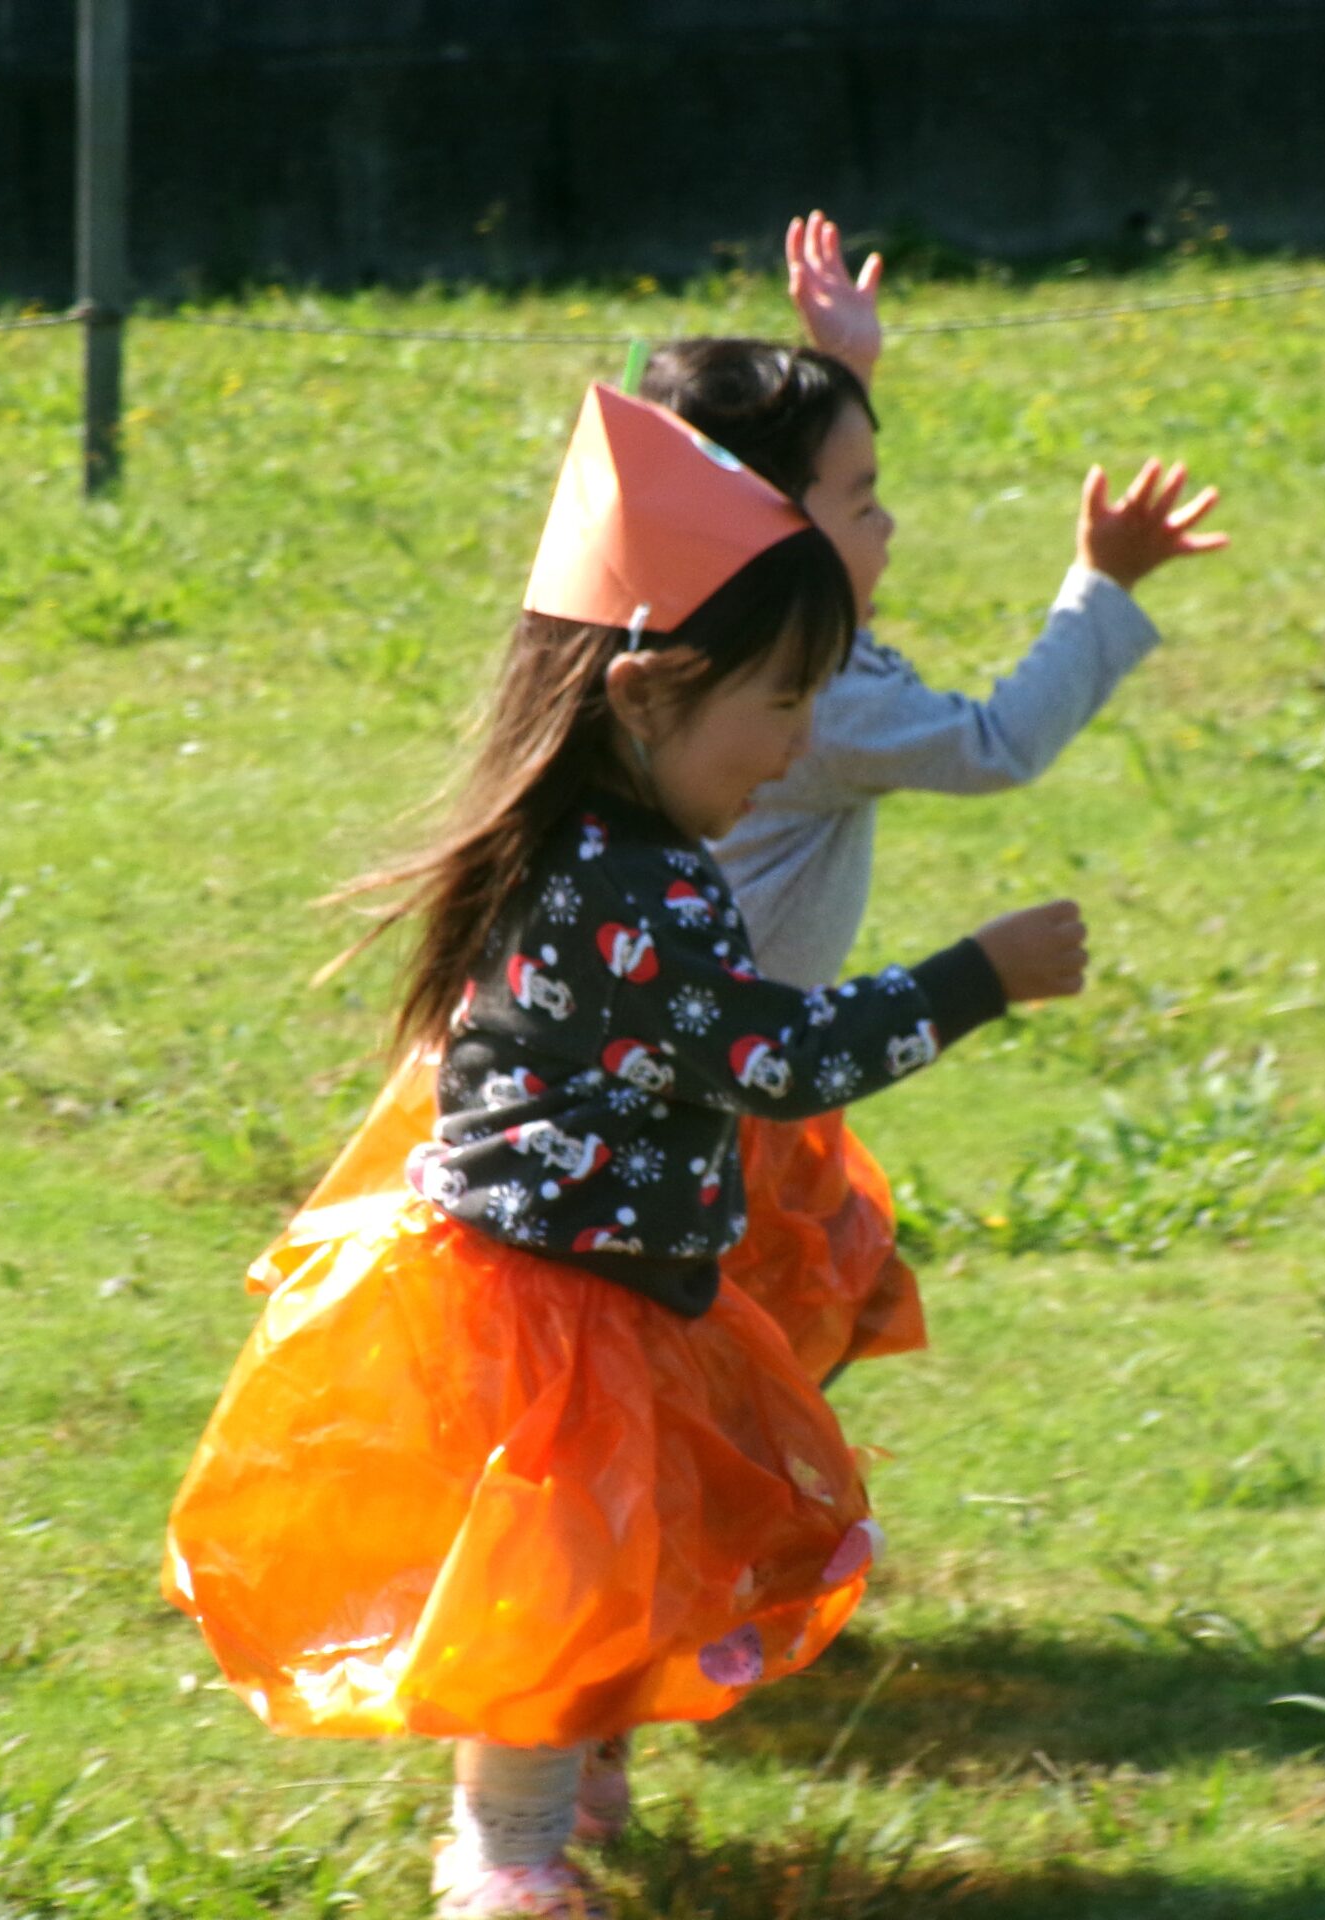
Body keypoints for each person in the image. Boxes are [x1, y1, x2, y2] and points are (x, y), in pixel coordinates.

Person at [164, 384, 1087, 1919]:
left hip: (612, 1280)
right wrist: (972, 977)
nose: (798, 745)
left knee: (613, 1560)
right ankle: (503, 1860)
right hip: (555, 1301)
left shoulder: (608, 845)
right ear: (649, 696)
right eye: (778, 706)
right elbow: (777, 1062)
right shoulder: (628, 885)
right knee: (552, 1580)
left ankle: (565, 1781)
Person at [655, 209, 1229, 1383]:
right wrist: (1102, 584)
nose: (890, 523)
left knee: (765, 1346)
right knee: (732, 1368)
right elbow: (997, 744)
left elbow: (767, 502)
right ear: (779, 531)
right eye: (863, 500)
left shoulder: (673, 616)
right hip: (729, 1088)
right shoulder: (819, 698)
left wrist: (840, 372)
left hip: (688, 1061)